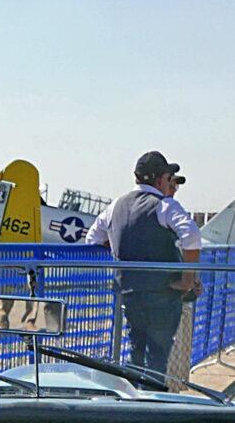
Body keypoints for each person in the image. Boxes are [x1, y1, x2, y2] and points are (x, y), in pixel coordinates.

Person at [84, 151, 201, 379]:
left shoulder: (116, 206)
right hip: (162, 294)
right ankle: (151, 396)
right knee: (157, 357)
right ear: (160, 180)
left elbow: (93, 239)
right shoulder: (164, 205)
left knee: (136, 352)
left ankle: (134, 393)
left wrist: (122, 248)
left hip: (130, 293)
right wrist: (187, 279)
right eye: (168, 178)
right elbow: (192, 236)